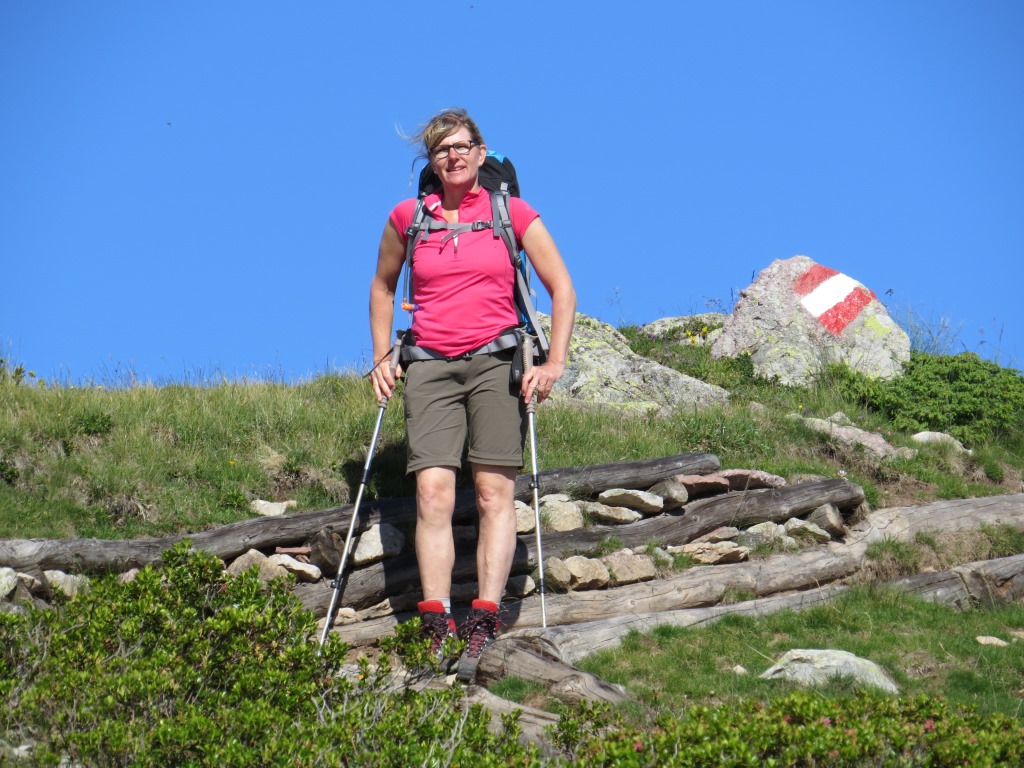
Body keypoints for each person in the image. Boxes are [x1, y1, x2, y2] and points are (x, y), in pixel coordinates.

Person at [368, 108, 575, 674]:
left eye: (462, 146)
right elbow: (383, 287)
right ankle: (437, 622)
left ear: (482, 154)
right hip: (429, 365)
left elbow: (561, 287)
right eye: (442, 149)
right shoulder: (408, 217)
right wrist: (382, 356)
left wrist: (554, 363)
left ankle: (484, 617)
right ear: (431, 162)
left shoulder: (512, 213)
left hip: (496, 361)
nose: (453, 156)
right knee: (433, 494)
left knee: (491, 494)